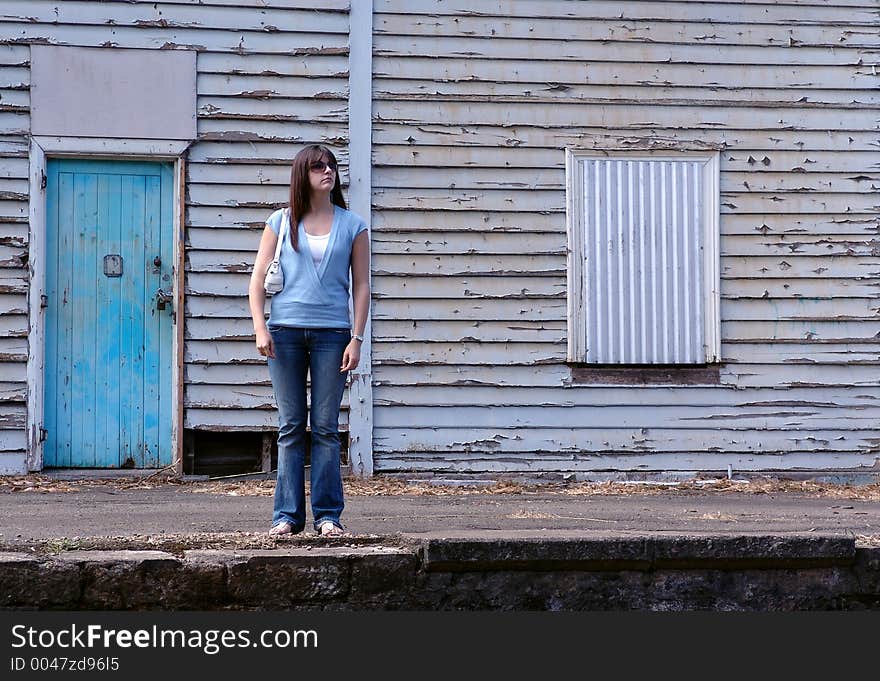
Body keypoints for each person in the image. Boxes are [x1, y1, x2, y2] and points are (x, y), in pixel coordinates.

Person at [248, 145, 370, 537]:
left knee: (325, 427)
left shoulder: (353, 225)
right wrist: (260, 327)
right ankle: (286, 516)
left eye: (331, 165)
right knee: (290, 425)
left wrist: (357, 337)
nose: (327, 172)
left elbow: (363, 285)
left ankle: (329, 516)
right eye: (318, 167)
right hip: (284, 332)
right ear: (303, 174)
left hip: (333, 334)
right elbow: (256, 280)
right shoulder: (281, 222)